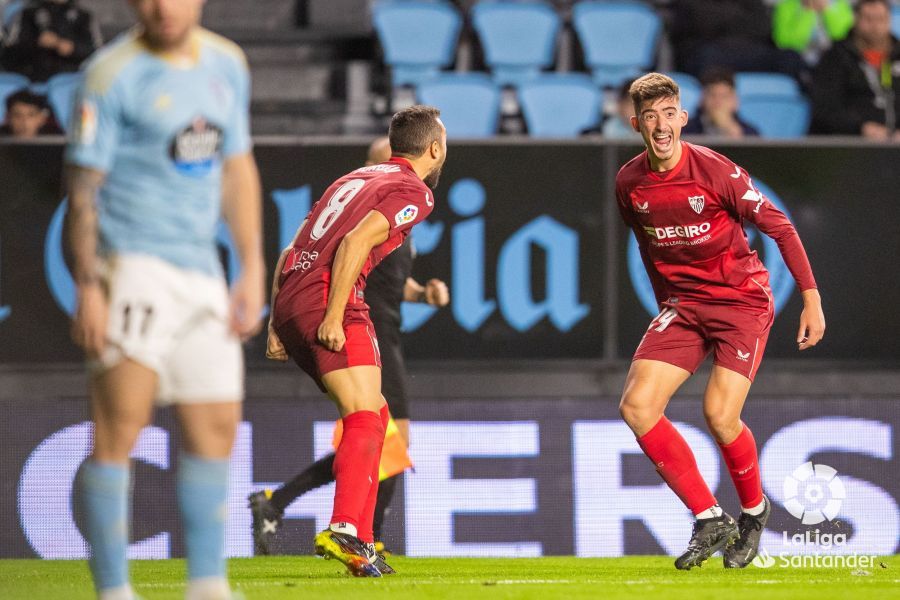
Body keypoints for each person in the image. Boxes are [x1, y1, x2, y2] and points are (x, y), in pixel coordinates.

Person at [65, 1, 265, 599]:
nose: (162, 7)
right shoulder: (110, 74)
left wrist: (251, 265)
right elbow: (82, 191)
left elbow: (237, 168)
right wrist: (89, 284)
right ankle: (113, 590)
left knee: (217, 426)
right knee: (121, 428)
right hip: (132, 268)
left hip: (202, 270)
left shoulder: (227, 63)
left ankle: (206, 585)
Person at [615, 73, 825, 570]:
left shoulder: (714, 170)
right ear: (636, 124)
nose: (661, 126)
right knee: (637, 407)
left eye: (669, 114)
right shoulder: (628, 181)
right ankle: (709, 517)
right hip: (684, 306)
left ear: (684, 119)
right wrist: (666, 301)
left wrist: (811, 299)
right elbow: (647, 245)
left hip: (739, 303)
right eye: (650, 116)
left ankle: (753, 511)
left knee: (718, 415)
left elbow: (779, 226)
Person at [247, 135, 450, 561]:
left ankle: (307, 513)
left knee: (376, 425)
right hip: (350, 317)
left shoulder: (358, 195)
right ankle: (356, 531)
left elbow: (380, 277)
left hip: (358, 317)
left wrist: (422, 295)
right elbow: (352, 250)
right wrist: (334, 316)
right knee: (380, 430)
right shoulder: (396, 196)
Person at [810, 0, 900, 140]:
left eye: (881, 19)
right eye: (868, 19)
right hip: (849, 143)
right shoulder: (837, 56)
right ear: (855, 19)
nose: (875, 25)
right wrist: (860, 128)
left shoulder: (896, 55)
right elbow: (825, 107)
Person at [672, 0, 806, 81]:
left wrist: (727, 19)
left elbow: (762, 26)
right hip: (712, 51)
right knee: (706, 57)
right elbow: (702, 23)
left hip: (751, 51)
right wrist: (738, 19)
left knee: (790, 57)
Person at [2, 0, 102, 82]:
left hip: (72, 82)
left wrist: (73, 49)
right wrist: (36, 43)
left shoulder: (84, 16)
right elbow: (8, 54)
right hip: (31, 82)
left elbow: (99, 54)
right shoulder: (27, 13)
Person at [683, 68, 760, 138]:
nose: (718, 102)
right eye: (712, 95)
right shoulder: (686, 130)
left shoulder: (750, 133)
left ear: (735, 101)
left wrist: (732, 131)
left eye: (724, 96)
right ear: (702, 99)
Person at [772, 0, 854, 64]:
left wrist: (826, 8)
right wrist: (808, 9)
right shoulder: (787, 5)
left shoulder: (840, 4)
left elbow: (842, 36)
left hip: (833, 60)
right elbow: (782, 42)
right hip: (798, 60)